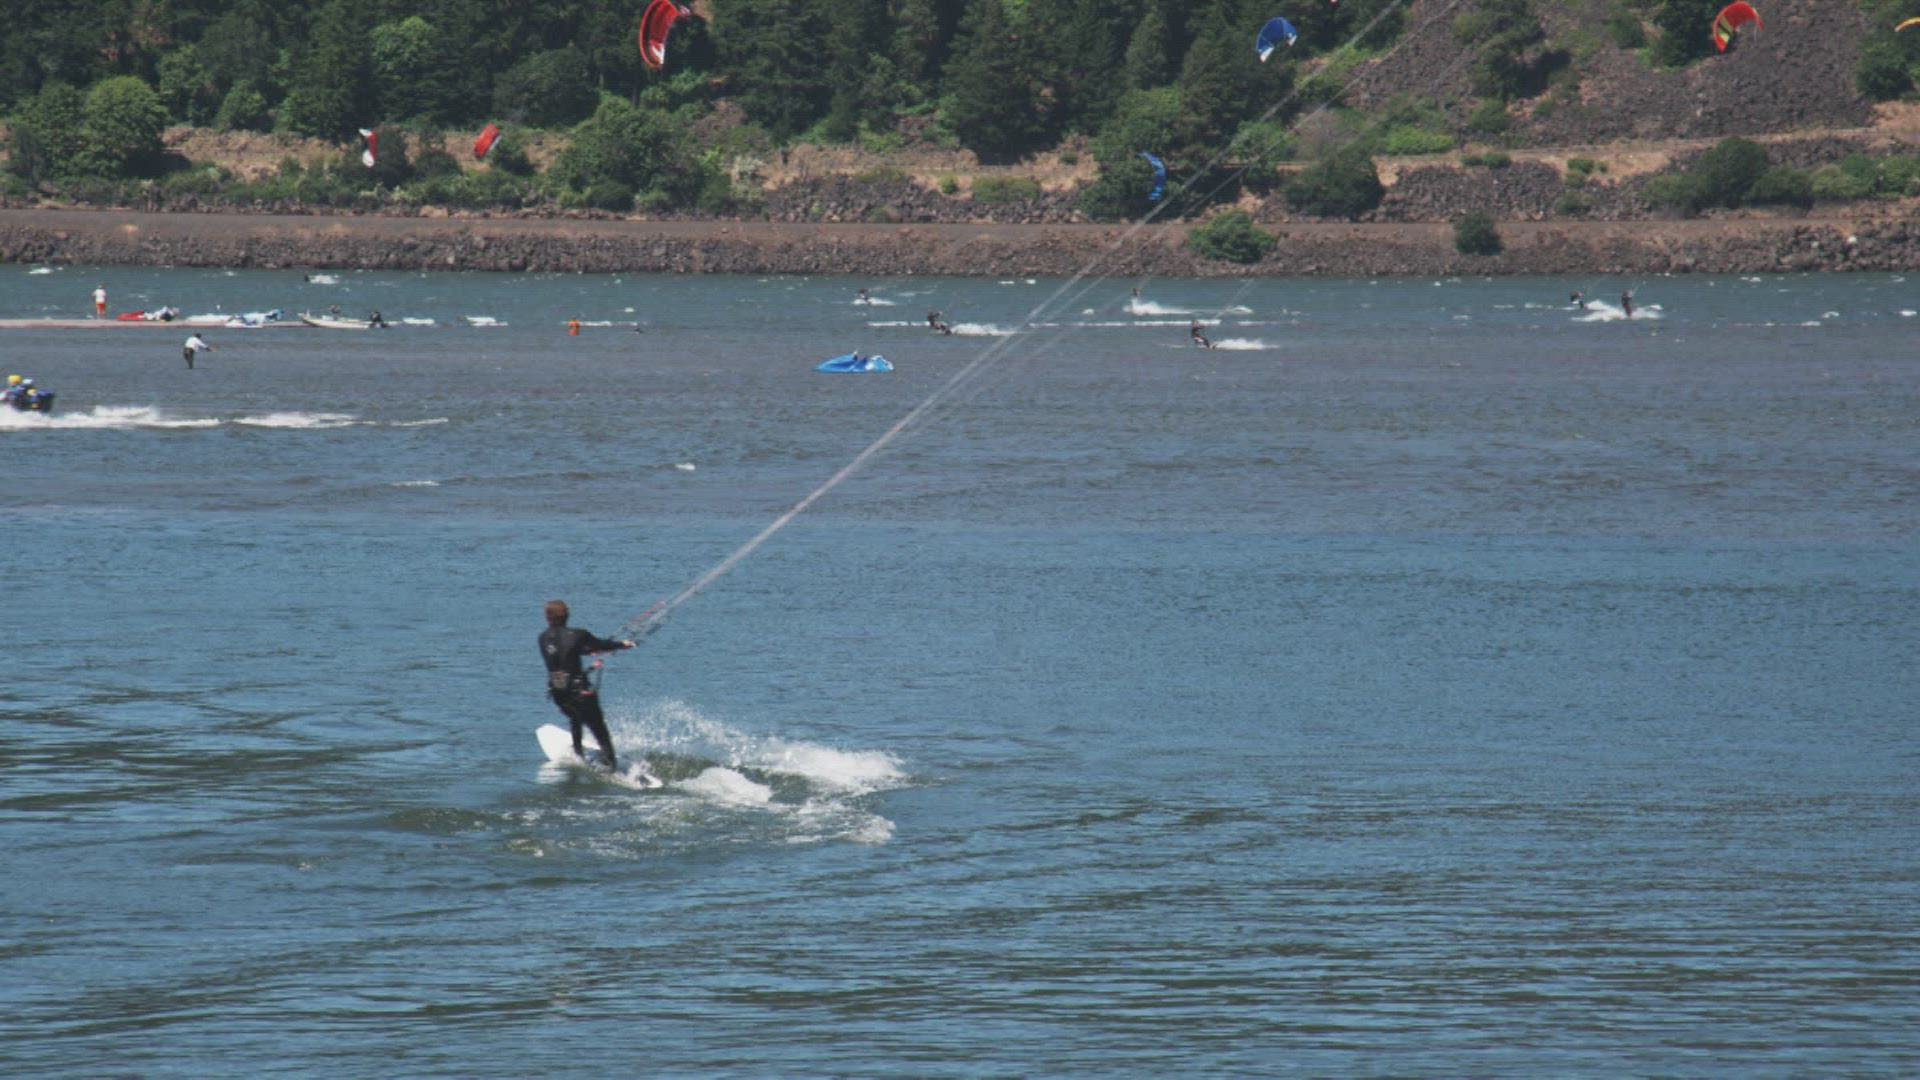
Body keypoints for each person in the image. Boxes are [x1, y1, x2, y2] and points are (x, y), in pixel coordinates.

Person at [538, 600, 636, 771]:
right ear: (567, 616)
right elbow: (602, 645)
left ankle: (578, 753)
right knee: (599, 729)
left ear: (547, 617)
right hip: (580, 693)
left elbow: (566, 652)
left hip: (558, 694)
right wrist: (623, 644)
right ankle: (610, 765)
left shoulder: (542, 638)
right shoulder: (579, 634)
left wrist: (589, 651)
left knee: (574, 718)